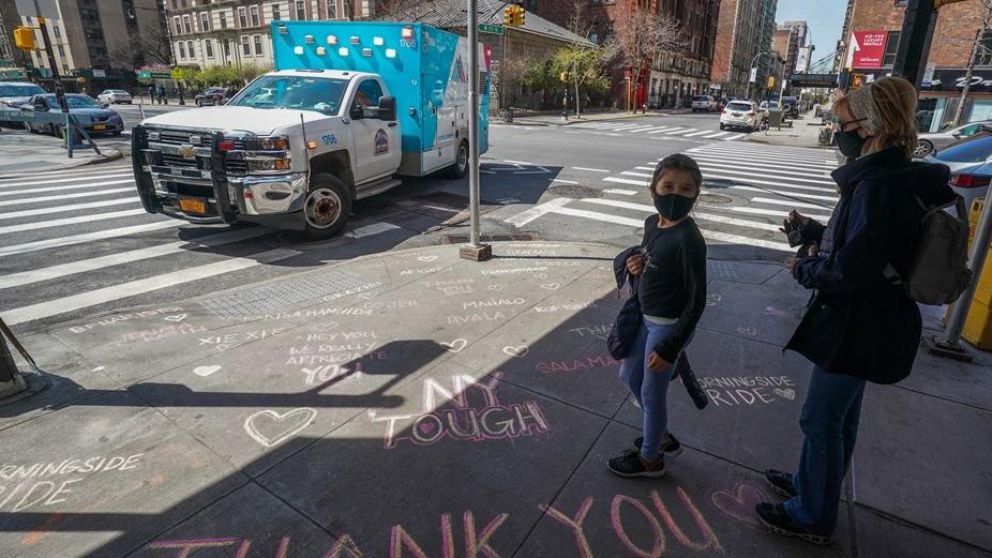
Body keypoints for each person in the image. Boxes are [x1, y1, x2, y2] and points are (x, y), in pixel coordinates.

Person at [755, 76, 956, 545]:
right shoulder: (894, 176)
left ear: (871, 126)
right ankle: (815, 489)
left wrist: (805, 269)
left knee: (820, 419)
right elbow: (870, 245)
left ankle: (811, 514)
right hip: (875, 319)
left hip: (858, 322)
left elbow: (854, 268)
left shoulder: (878, 185)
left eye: (841, 122)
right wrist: (814, 232)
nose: (835, 130)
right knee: (840, 418)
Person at [608, 154, 708, 478]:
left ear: (696, 194)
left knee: (653, 392)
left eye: (686, 189)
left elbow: (697, 300)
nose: (675, 195)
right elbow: (648, 258)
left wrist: (670, 348)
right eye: (668, 186)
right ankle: (660, 435)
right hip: (644, 317)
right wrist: (635, 263)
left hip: (667, 327)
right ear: (653, 189)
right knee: (628, 376)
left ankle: (650, 458)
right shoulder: (653, 223)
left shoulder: (689, 240)